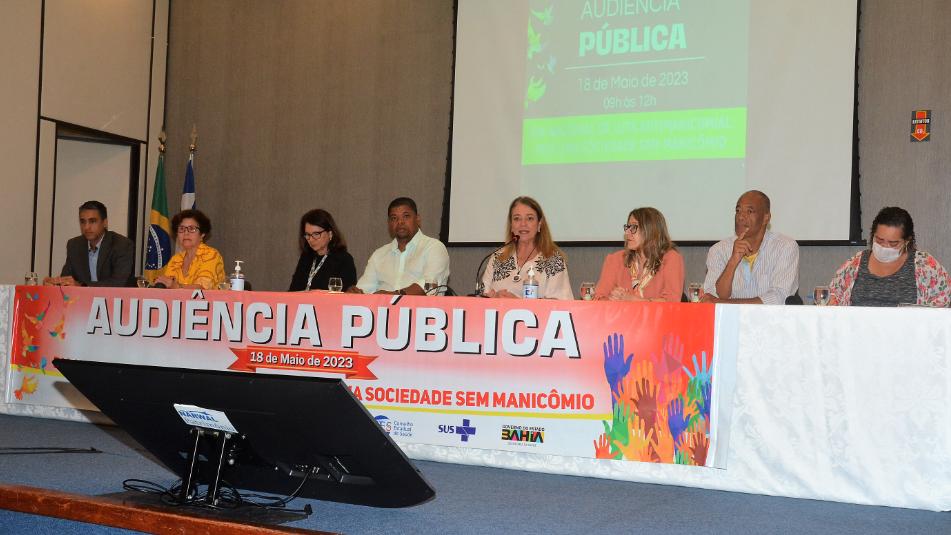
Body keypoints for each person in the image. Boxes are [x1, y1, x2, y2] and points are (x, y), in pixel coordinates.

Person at [828, 207, 950, 307]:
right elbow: (833, 296)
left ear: (907, 241)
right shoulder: (855, 263)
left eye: (893, 243)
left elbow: (943, 302)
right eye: (879, 240)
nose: (884, 246)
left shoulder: (926, 265)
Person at [701, 190, 799, 304]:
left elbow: (779, 297)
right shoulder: (718, 250)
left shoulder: (785, 247)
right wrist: (732, 262)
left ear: (766, 218)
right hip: (728, 316)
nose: (740, 217)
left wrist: (726, 303)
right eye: (738, 211)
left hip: (769, 316)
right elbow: (713, 297)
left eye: (749, 211)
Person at [351, 197, 450, 295]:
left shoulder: (434, 248)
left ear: (418, 219)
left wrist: (394, 295)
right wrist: (355, 293)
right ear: (389, 223)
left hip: (419, 306)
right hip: (381, 305)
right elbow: (364, 289)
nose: (400, 222)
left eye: (406, 216)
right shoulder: (379, 254)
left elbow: (430, 285)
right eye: (394, 218)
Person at [481, 196, 573, 300]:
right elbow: (480, 299)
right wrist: (494, 298)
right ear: (511, 225)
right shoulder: (497, 258)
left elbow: (562, 304)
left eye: (529, 218)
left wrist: (517, 303)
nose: (523, 224)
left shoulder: (553, 260)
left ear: (539, 224)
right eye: (517, 218)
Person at [594, 207, 684, 302]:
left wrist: (632, 300)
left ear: (650, 230)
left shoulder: (671, 259)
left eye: (633, 227)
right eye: (628, 227)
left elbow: (671, 301)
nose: (627, 232)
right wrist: (612, 299)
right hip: (620, 312)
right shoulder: (615, 259)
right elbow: (598, 298)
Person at [44, 200, 134, 287]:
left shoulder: (122, 245)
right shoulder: (74, 245)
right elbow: (67, 279)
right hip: (80, 298)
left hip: (112, 297)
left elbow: (118, 283)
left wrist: (82, 286)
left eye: (92, 221)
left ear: (105, 223)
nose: (86, 227)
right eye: (83, 222)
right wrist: (55, 283)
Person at [154, 209, 226, 290]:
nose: (186, 233)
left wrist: (176, 286)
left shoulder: (211, 255)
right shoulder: (176, 260)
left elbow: (202, 289)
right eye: (181, 229)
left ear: (202, 234)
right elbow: (167, 287)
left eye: (192, 229)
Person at [288, 209, 357, 291]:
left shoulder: (343, 259)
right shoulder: (306, 257)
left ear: (330, 233)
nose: (311, 239)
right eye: (307, 235)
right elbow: (293, 291)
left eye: (316, 234)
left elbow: (348, 293)